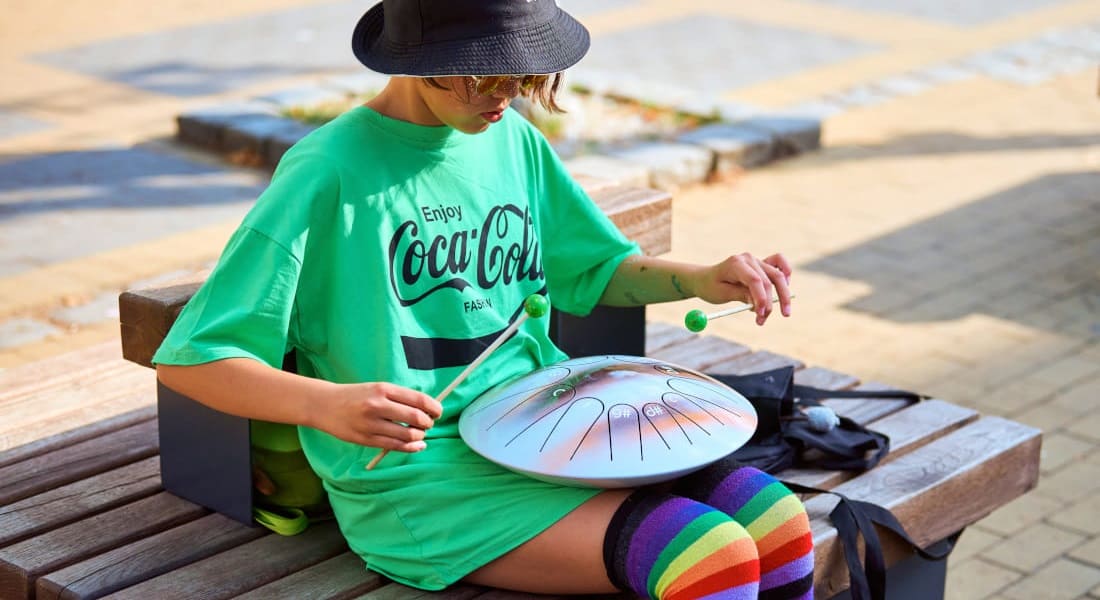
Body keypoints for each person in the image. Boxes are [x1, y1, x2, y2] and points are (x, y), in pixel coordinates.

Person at [153, 1, 812, 598]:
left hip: (545, 428)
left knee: (777, 517)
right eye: (485, 73)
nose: (508, 94)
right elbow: (193, 358)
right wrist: (325, 405)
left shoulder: (512, 139)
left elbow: (595, 267)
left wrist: (700, 278)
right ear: (418, 56)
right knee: (709, 557)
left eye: (523, 74)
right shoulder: (326, 171)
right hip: (419, 478)